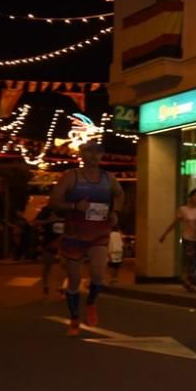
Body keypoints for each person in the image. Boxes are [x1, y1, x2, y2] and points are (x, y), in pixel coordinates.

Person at [49, 141, 125, 335]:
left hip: (99, 233)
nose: (93, 156)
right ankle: (74, 318)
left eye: (98, 153)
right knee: (74, 280)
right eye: (89, 152)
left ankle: (91, 303)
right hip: (74, 235)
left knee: (98, 274)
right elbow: (55, 201)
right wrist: (74, 207)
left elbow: (119, 195)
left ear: (102, 156)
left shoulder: (108, 178)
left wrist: (115, 211)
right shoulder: (71, 177)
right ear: (82, 155)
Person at [158, 188, 196, 293]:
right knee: (190, 259)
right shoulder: (183, 209)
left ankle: (187, 280)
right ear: (190, 197)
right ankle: (188, 281)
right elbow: (175, 223)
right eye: (195, 195)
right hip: (188, 238)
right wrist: (164, 234)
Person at [32, 203, 65, 299]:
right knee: (47, 266)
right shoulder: (46, 210)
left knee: (64, 265)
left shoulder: (68, 208)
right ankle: (45, 286)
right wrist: (48, 221)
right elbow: (34, 223)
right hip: (49, 243)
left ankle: (61, 287)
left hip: (64, 243)